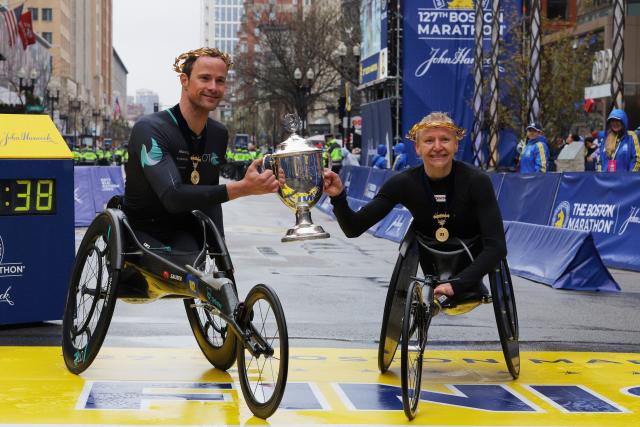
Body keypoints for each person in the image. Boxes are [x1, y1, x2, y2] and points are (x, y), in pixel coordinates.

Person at [323, 112, 506, 300]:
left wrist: (458, 284)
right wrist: (338, 197)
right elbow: (353, 228)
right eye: (428, 141)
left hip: (471, 259)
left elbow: (497, 246)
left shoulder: (477, 181)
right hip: (431, 259)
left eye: (444, 139)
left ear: (456, 145)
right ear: (417, 148)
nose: (437, 147)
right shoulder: (403, 183)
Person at [123, 47, 278, 255]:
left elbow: (210, 200)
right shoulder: (150, 128)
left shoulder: (218, 133)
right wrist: (242, 188)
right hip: (140, 230)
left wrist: (220, 252)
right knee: (177, 269)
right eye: (205, 78)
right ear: (184, 80)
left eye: (220, 80)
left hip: (183, 230)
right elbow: (173, 195)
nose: (213, 87)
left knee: (199, 274)